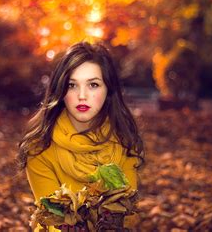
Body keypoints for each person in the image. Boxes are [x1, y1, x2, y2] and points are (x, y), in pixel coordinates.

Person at [18, 41, 145, 231]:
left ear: (108, 90)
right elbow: (53, 220)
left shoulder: (124, 141)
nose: (82, 96)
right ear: (61, 90)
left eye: (93, 84)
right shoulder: (40, 147)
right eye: (72, 85)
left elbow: (128, 215)